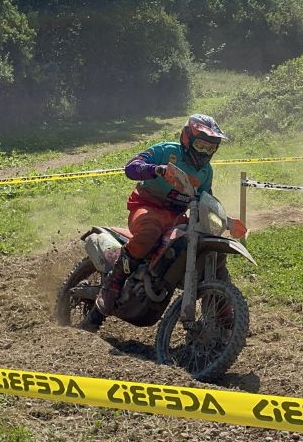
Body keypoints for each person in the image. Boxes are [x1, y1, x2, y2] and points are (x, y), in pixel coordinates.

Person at [78, 114, 229, 332]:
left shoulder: (206, 172)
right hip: (146, 206)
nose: (204, 152)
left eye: (210, 148)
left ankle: (224, 317)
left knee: (211, 250)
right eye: (201, 145)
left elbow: (206, 199)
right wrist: (156, 169)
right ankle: (113, 283)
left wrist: (224, 220)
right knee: (149, 231)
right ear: (187, 139)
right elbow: (131, 167)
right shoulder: (166, 151)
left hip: (175, 217)